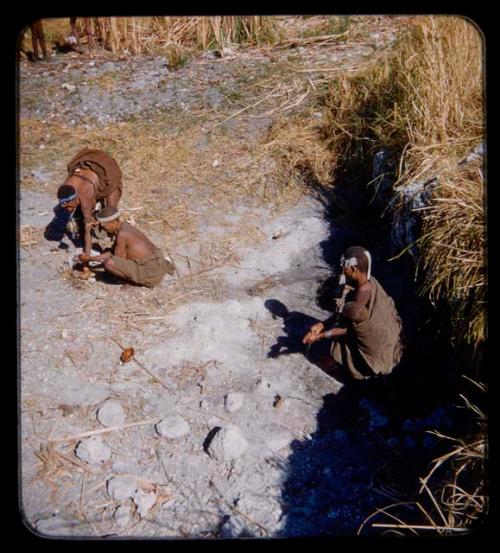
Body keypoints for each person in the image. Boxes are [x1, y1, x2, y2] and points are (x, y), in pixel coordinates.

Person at [303, 246, 403, 380]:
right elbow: (344, 315)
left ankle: (346, 369)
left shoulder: (361, 296)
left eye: (345, 267)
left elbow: (348, 329)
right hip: (379, 337)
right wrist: (322, 324)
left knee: (334, 345)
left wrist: (320, 336)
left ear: (354, 270)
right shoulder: (368, 282)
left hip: (376, 348)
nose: (342, 270)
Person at [78, 207, 175, 287]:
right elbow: (113, 253)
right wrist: (90, 258)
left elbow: (115, 259)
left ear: (112, 222)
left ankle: (131, 282)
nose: (104, 229)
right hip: (158, 264)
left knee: (109, 264)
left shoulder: (122, 235)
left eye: (104, 226)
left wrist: (91, 260)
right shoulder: (125, 227)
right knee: (110, 253)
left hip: (151, 273)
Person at [56, 148, 123, 259]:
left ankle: (118, 237)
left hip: (108, 172)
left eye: (69, 205)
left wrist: (86, 257)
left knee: (111, 210)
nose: (67, 208)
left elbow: (88, 227)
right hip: (90, 171)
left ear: (76, 199)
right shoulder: (66, 186)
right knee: (82, 216)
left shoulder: (84, 195)